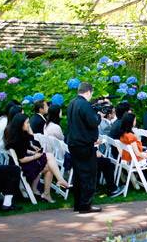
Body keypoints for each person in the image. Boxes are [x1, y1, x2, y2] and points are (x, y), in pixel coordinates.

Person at [4, 112, 70, 203]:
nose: (29, 124)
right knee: (49, 157)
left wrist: (32, 151)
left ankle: (45, 192)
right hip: (24, 167)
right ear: (20, 124)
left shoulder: (19, 134)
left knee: (49, 166)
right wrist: (35, 156)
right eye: (27, 123)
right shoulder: (17, 139)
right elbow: (22, 159)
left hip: (24, 163)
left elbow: (24, 146)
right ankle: (58, 182)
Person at [66, 81, 101, 214]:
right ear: (88, 92)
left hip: (74, 143)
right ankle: (86, 205)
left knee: (78, 174)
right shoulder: (85, 104)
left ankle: (78, 204)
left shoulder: (72, 103)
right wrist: (99, 116)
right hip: (84, 144)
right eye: (91, 93)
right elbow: (92, 122)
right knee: (88, 174)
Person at [119, 113, 147, 193]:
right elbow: (138, 153)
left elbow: (134, 149)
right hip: (135, 162)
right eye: (135, 120)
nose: (135, 121)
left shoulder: (123, 134)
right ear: (131, 122)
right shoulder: (130, 136)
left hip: (127, 160)